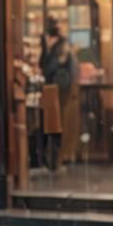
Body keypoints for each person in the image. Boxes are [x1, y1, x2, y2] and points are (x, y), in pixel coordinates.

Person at [39, 17, 75, 171]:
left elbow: (48, 68)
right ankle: (52, 160)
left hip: (57, 89)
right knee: (53, 124)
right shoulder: (59, 46)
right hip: (56, 89)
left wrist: (46, 49)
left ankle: (54, 161)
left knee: (54, 124)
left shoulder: (59, 47)